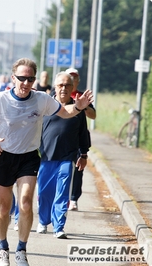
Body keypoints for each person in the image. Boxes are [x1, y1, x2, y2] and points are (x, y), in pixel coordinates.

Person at [0, 58, 93, 266]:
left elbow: (64, 112)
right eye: (22, 79)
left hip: (28, 157)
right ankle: (2, 247)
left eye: (30, 79)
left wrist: (78, 107)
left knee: (26, 202)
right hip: (3, 155)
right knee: (3, 208)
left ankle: (21, 249)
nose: (26, 83)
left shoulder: (41, 99)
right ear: (13, 78)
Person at [36, 72, 90, 239]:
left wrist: (84, 154)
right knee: (45, 192)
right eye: (60, 85)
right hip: (45, 157)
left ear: (72, 87)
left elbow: (83, 133)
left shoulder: (78, 109)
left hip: (67, 158)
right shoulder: (46, 105)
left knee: (62, 192)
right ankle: (43, 221)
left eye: (67, 85)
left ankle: (59, 226)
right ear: (55, 87)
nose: (64, 89)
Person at [65, 68, 96, 211]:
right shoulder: (60, 92)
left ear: (78, 81)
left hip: (78, 136)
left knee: (78, 169)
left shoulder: (83, 96)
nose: (72, 80)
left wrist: (83, 107)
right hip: (62, 137)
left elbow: (93, 115)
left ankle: (73, 198)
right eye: (69, 77)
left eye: (74, 78)